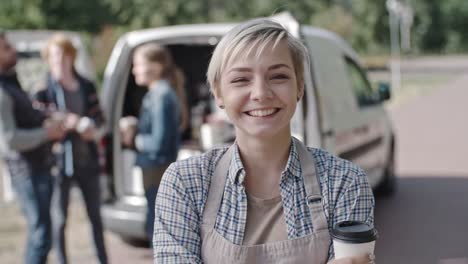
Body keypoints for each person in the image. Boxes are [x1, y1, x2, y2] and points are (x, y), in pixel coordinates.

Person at [153, 19, 375, 264]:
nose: (261, 93)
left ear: (299, 86)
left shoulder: (344, 182)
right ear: (218, 93)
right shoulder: (185, 183)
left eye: (278, 76)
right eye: (240, 80)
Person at [35, 34, 108, 264]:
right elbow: (38, 120)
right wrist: (64, 121)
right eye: (54, 55)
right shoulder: (43, 89)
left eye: (63, 54)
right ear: (48, 58)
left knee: (95, 217)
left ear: (71, 57)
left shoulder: (85, 86)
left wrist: (90, 128)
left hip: (87, 160)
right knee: (60, 219)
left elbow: (100, 120)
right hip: (58, 163)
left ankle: (102, 259)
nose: (59, 60)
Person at [0, 31, 65, 264]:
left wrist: (47, 117)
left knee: (42, 234)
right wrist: (47, 132)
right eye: (6, 48)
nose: (13, 50)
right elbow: (9, 140)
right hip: (26, 172)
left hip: (37, 167)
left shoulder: (10, 82)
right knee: (40, 236)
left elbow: (26, 115)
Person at [119, 43, 183, 243]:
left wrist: (134, 138)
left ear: (156, 67)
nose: (134, 70)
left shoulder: (160, 95)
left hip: (158, 170)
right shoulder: (159, 93)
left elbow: (158, 142)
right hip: (157, 169)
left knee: (157, 228)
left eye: (138, 64)